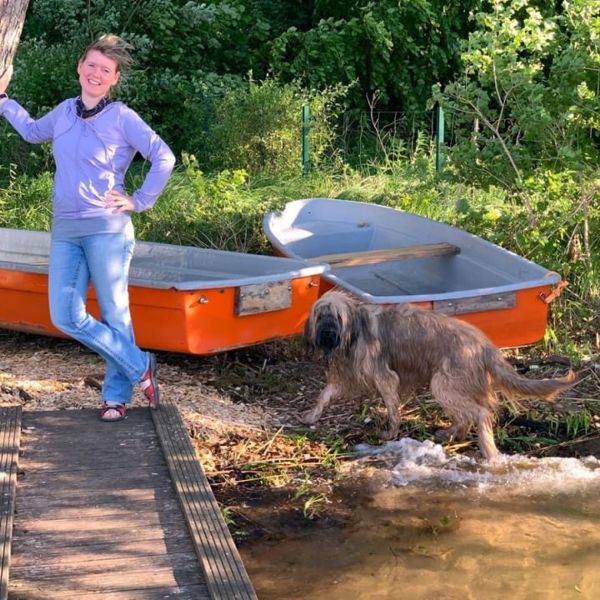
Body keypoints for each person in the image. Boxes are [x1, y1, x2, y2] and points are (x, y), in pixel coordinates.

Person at [0, 34, 176, 422]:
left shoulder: (122, 117)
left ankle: (115, 397)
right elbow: (32, 131)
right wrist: (3, 100)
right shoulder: (65, 112)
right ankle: (140, 365)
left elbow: (163, 157)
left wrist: (139, 200)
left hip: (106, 229)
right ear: (80, 68)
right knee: (65, 315)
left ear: (114, 78)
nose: (96, 73)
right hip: (65, 229)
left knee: (115, 314)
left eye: (105, 70)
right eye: (91, 65)